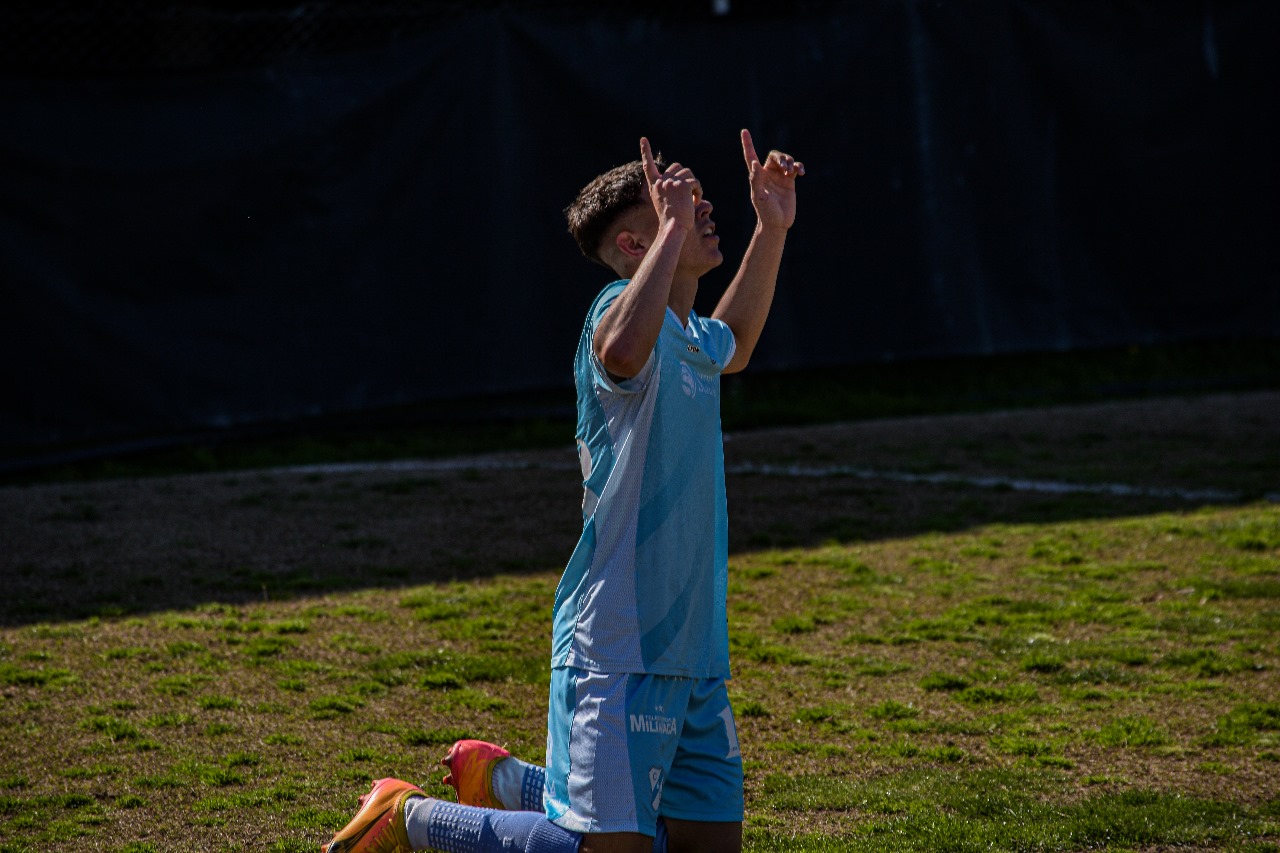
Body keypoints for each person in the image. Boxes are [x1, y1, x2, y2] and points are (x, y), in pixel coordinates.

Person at [322, 129, 804, 853]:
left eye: (697, 199)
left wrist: (772, 228)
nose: (701, 207)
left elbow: (733, 337)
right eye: (676, 203)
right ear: (638, 245)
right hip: (616, 646)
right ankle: (411, 818)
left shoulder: (689, 335)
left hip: (695, 652)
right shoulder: (613, 313)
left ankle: (512, 780)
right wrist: (674, 233)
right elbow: (620, 351)